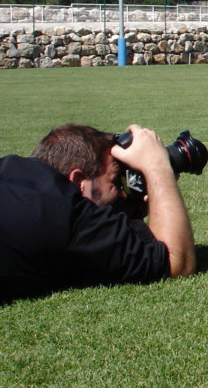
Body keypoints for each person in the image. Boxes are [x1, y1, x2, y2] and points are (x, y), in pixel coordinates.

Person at [0, 124, 196, 301]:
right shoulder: (63, 211)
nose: (122, 194)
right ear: (78, 182)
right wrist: (158, 168)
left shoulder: (12, 168)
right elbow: (176, 261)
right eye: (114, 181)